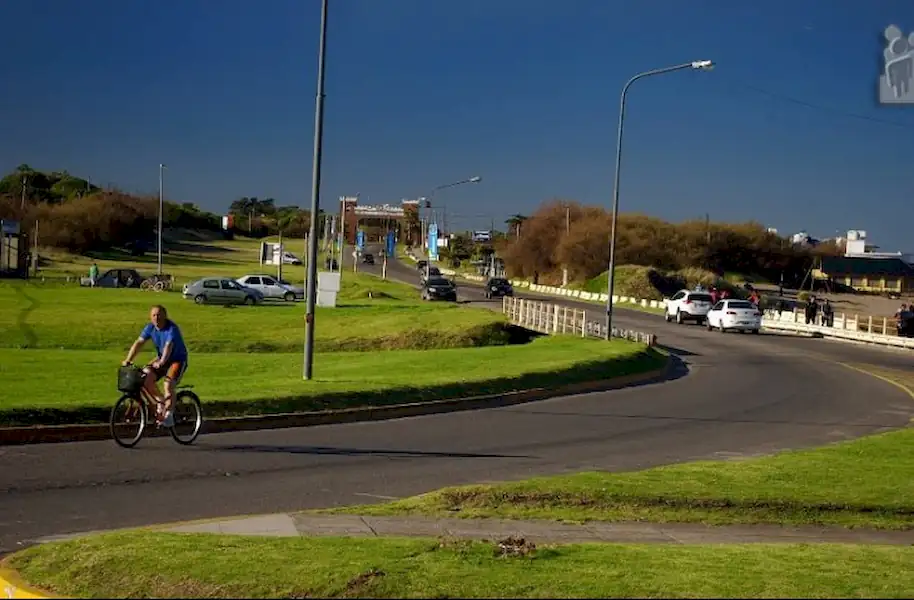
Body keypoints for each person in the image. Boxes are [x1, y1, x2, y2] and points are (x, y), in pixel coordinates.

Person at [121, 305, 189, 427]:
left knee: (168, 384)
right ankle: (161, 401)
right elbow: (139, 343)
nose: (156, 318)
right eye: (153, 315)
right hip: (162, 358)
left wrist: (161, 362)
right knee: (146, 375)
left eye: (159, 315)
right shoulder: (150, 328)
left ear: (165, 316)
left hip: (177, 360)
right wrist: (128, 359)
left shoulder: (171, 328)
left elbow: (168, 346)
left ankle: (169, 415)